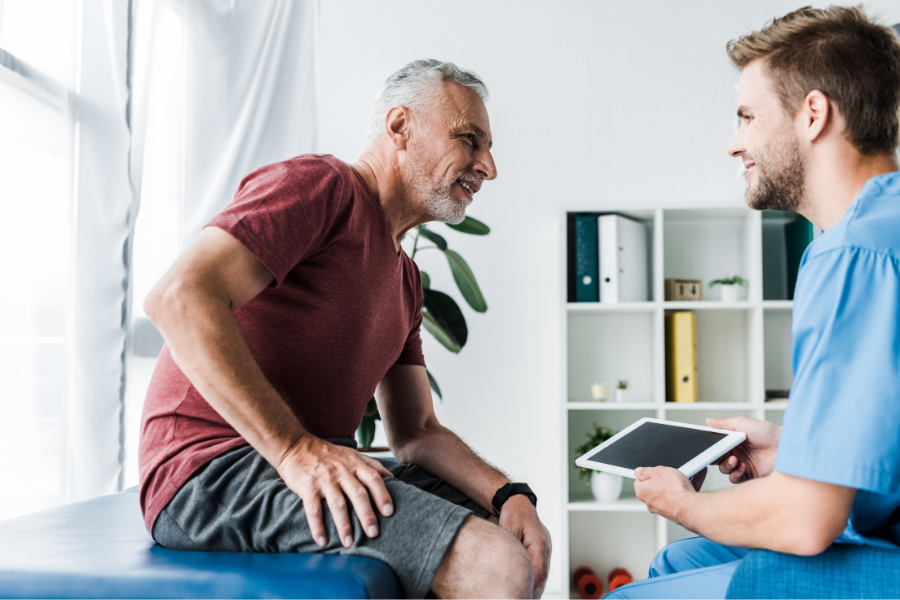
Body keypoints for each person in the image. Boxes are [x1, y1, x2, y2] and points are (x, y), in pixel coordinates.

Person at [138, 59, 551, 599]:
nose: (488, 167)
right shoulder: (321, 187)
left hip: (307, 459)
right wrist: (294, 451)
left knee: (510, 536)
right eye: (469, 140)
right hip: (209, 470)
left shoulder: (405, 278)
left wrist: (508, 494)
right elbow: (178, 297)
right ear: (400, 127)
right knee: (495, 565)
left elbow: (416, 430)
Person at [608, 6, 900, 598]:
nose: (734, 144)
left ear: (812, 114)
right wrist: (792, 449)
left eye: (747, 117)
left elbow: (805, 519)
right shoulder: (876, 227)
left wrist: (681, 503)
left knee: (629, 594)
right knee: (677, 566)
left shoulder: (855, 255)